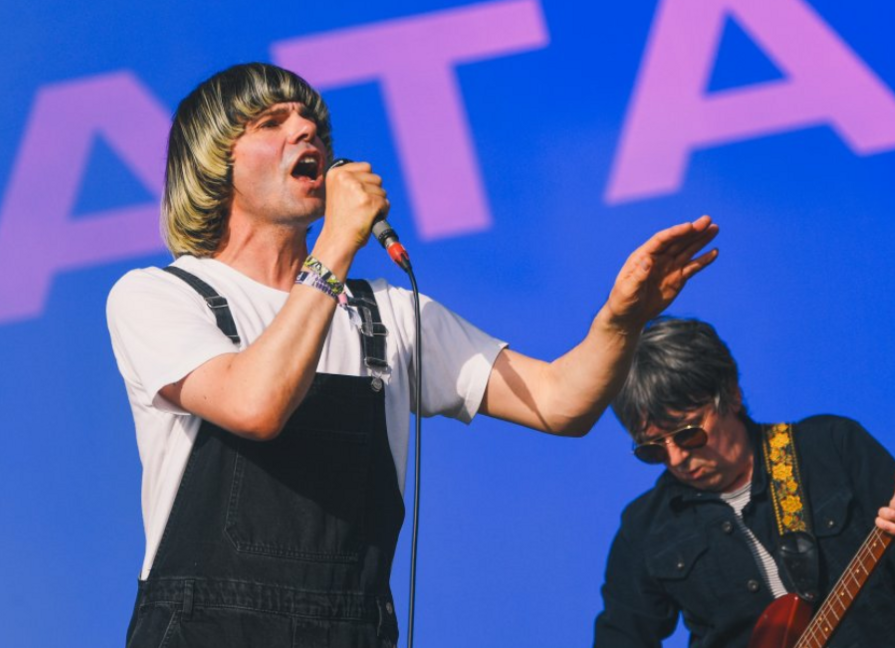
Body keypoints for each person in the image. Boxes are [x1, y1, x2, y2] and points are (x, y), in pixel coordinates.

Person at [106, 62, 718, 648]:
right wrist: (340, 241)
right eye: (270, 123)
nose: (304, 129)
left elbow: (561, 403)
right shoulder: (160, 296)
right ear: (214, 163)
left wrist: (622, 318)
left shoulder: (388, 315)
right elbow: (255, 404)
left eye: (310, 121)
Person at [593, 318, 895, 648]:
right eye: (653, 450)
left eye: (687, 434)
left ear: (731, 394)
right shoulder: (645, 528)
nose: (675, 459)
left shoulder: (830, 448)